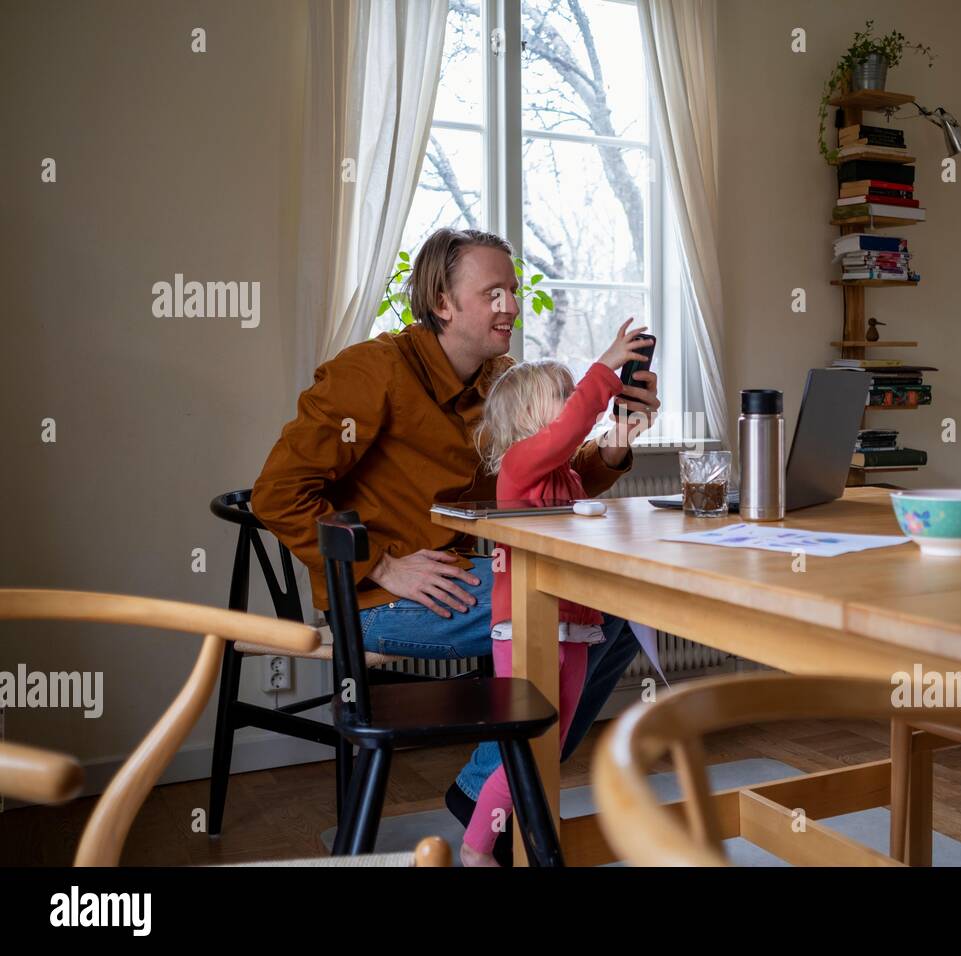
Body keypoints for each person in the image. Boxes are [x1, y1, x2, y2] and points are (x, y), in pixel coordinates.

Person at [251, 228, 659, 863]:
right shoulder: (372, 372)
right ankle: (497, 791)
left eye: (514, 292)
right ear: (442, 301)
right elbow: (276, 493)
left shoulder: (495, 381)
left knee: (622, 610)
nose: (512, 307)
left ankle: (490, 787)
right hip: (380, 601)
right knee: (588, 610)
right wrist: (382, 562)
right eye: (492, 293)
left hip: (473, 574)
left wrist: (612, 449)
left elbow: (529, 476)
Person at [459, 321, 651, 866]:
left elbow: (578, 446)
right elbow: (569, 430)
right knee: (531, 746)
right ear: (526, 420)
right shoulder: (520, 466)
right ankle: (478, 848)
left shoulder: (563, 476)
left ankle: (524, 839)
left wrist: (624, 426)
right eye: (562, 397)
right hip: (526, 625)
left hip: (568, 626)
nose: (573, 406)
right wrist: (606, 367)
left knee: (548, 745)